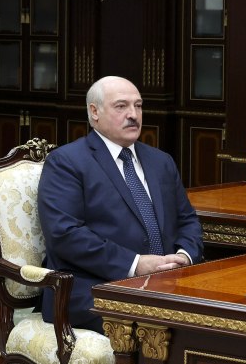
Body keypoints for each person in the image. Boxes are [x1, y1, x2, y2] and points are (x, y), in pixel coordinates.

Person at [37, 76, 204, 333]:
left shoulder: (161, 161)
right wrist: (135, 264)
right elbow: (65, 234)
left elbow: (187, 220)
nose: (133, 115)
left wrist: (183, 257)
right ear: (94, 112)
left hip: (167, 282)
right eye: (121, 106)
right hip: (94, 287)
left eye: (138, 106)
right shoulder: (67, 162)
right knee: (165, 323)